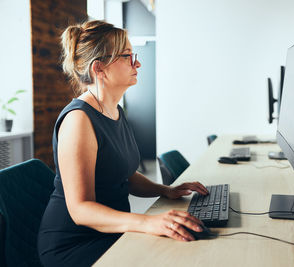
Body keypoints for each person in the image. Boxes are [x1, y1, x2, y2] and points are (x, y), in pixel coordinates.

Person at [37, 20, 208, 267]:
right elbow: (80, 209)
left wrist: (165, 190)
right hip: (74, 244)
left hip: (110, 231)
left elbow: (123, 176)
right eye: (127, 56)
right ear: (99, 69)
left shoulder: (114, 110)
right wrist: (147, 221)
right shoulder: (79, 120)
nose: (137, 63)